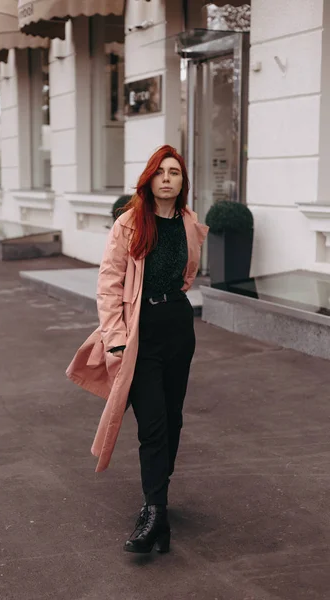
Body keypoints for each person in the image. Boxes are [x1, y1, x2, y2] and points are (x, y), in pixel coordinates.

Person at [66, 145, 208, 554]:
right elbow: (109, 283)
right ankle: (154, 513)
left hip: (178, 327)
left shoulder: (188, 222)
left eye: (175, 173)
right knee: (153, 423)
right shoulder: (130, 223)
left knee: (174, 416)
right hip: (139, 333)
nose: (167, 178)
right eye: (160, 172)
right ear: (149, 178)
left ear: (182, 183)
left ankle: (158, 498)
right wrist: (116, 337)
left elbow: (188, 274)